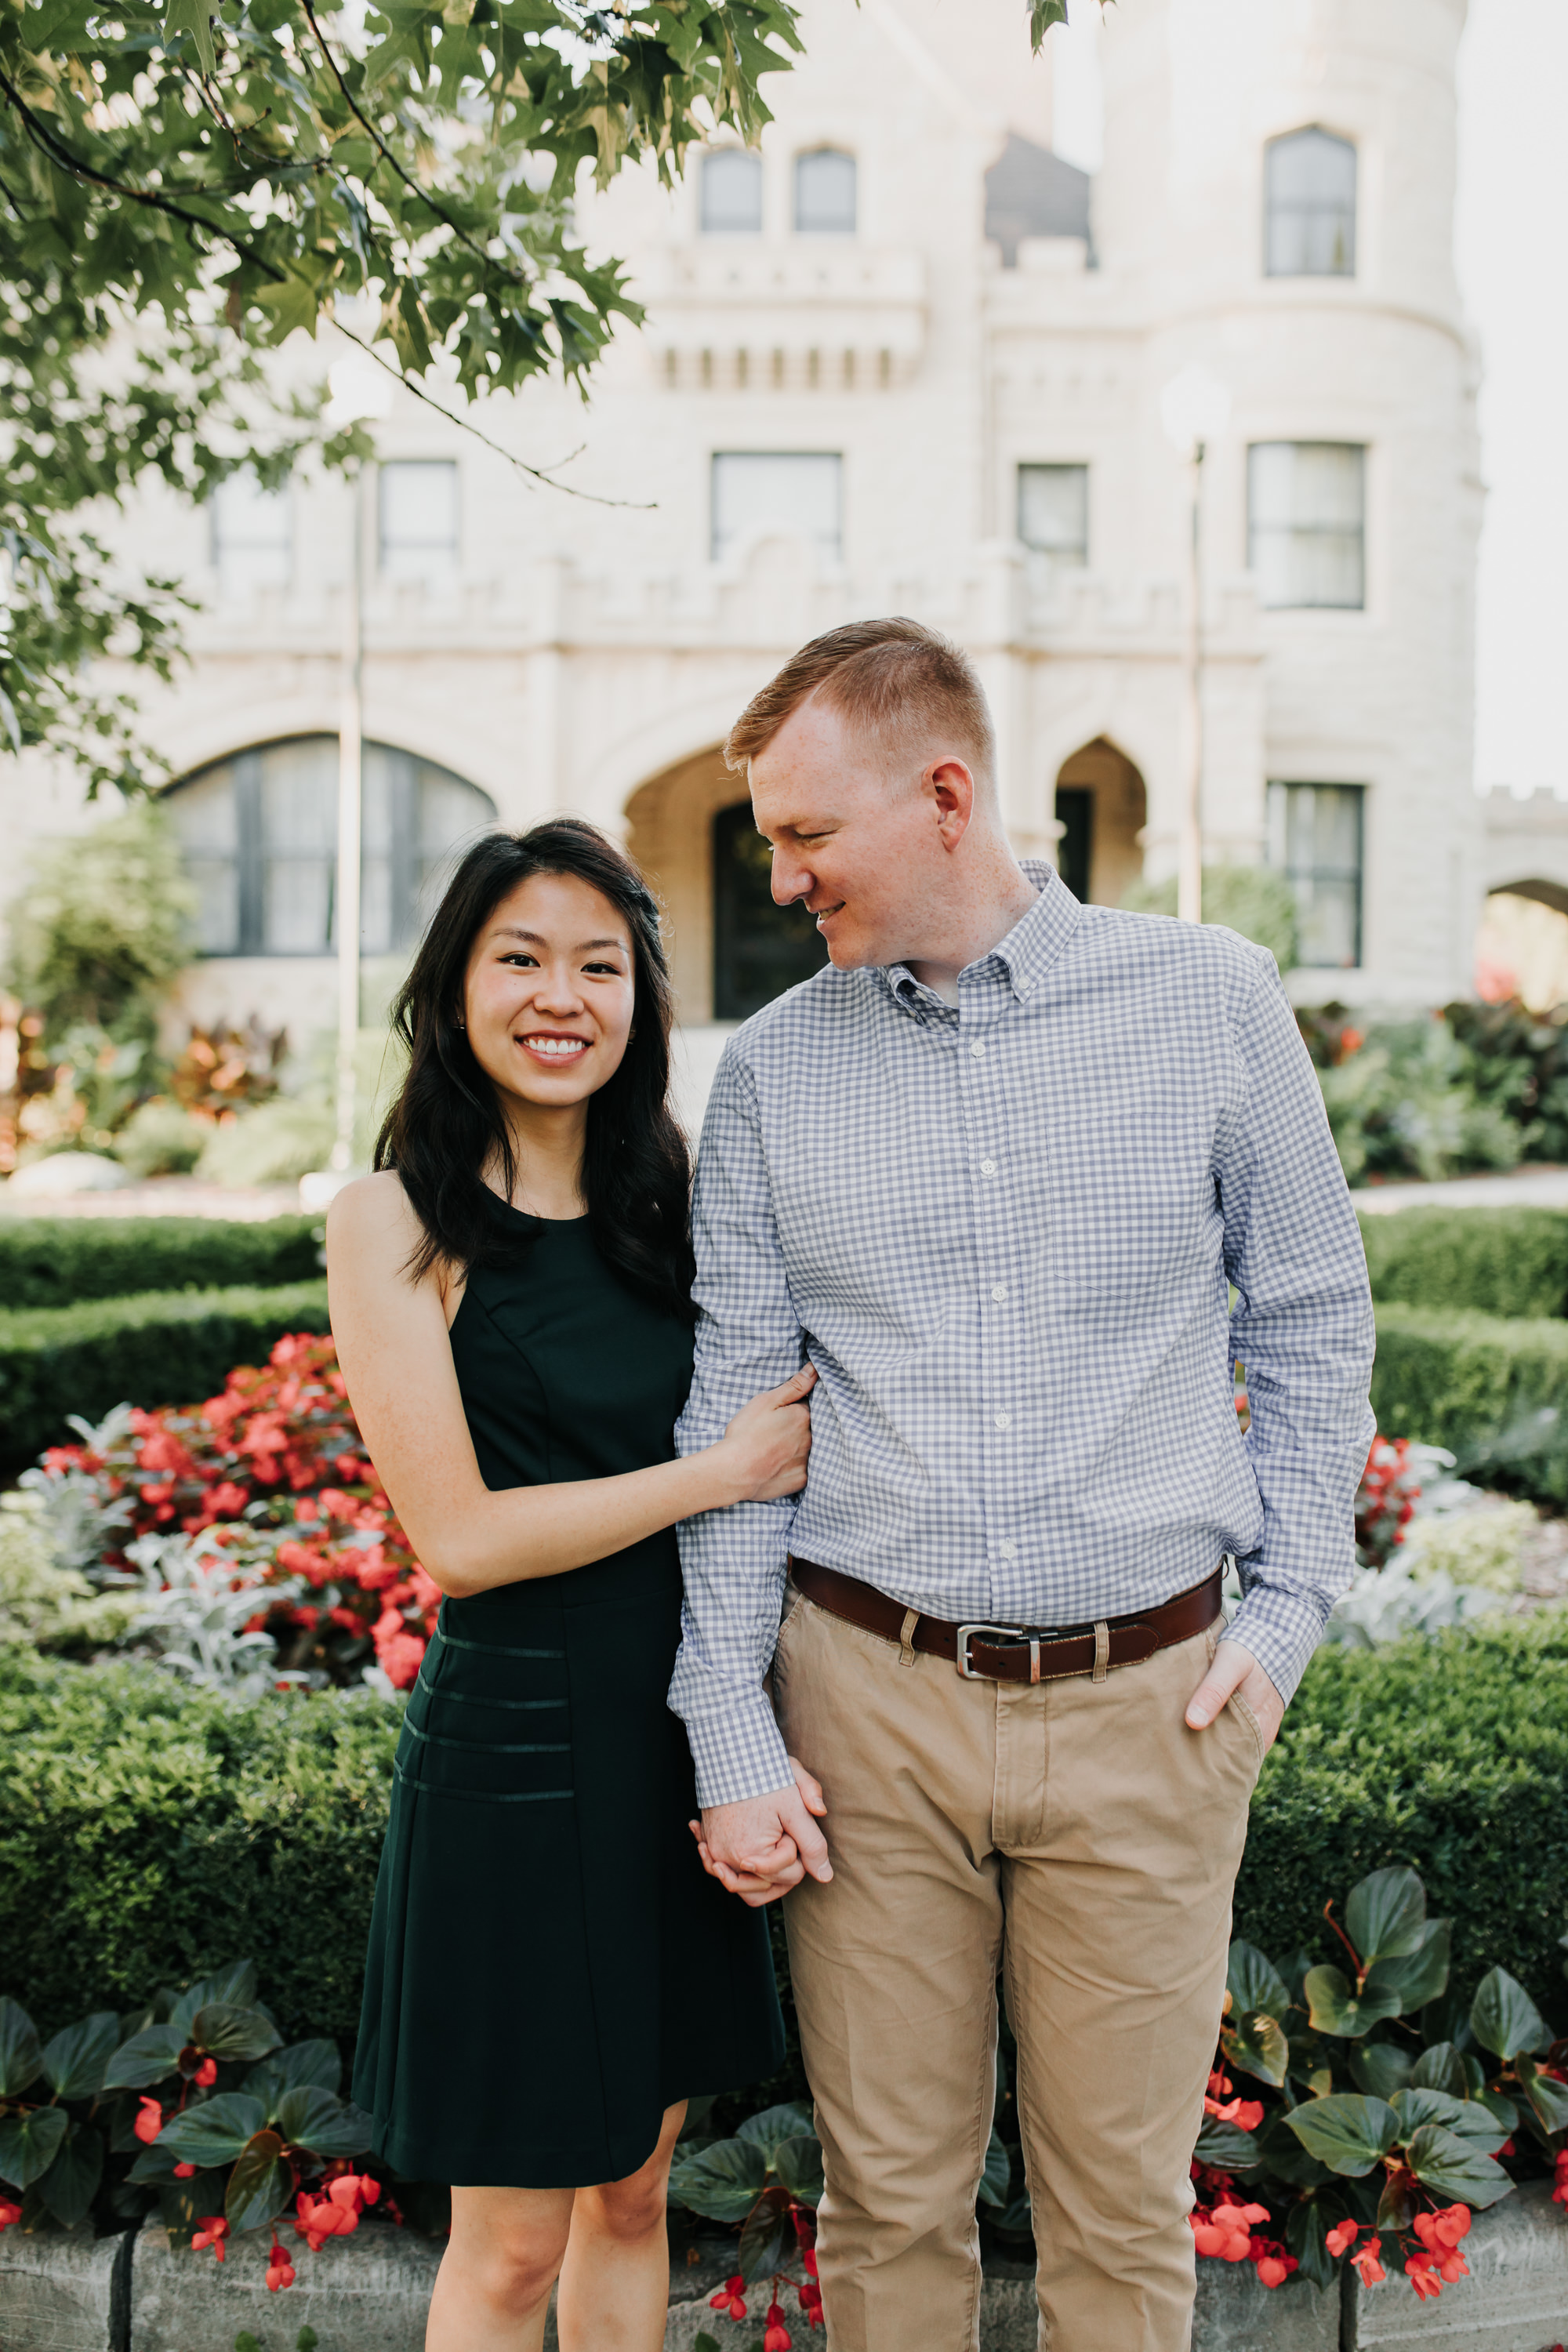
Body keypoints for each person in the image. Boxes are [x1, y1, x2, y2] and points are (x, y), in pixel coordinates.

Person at [670, 620, 1376, 2351]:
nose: (780, 876)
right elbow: (736, 1409)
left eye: (804, 835)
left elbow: (1309, 1312)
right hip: (866, 1715)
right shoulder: (768, 1072)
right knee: (889, 2205)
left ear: (944, 793)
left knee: (1121, 2220)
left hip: (1152, 1705)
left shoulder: (1206, 998)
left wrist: (1285, 1618)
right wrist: (731, 1725)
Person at [328, 818, 809, 2352]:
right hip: (516, 1756)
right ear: (453, 987)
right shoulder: (394, 1222)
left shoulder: (670, 1199)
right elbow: (457, 1539)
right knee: (513, 2243)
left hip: (669, 1732)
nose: (562, 995)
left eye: (599, 963)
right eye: (520, 958)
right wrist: (709, 1478)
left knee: (634, 2192)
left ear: (639, 997)